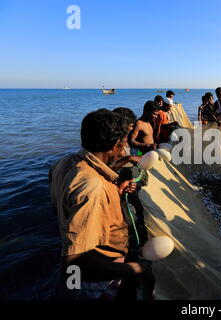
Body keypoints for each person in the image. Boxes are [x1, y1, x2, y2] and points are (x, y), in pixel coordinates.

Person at [49, 109, 154, 300]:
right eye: (123, 145)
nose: (124, 151)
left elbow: (61, 208)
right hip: (98, 276)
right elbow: (75, 263)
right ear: (114, 146)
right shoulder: (93, 188)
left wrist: (114, 192)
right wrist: (135, 269)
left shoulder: (63, 164)